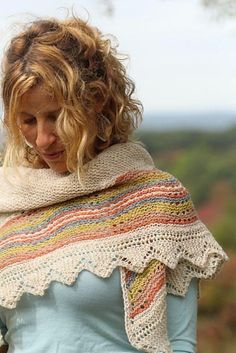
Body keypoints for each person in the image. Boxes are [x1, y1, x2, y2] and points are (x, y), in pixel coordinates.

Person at [0, 16, 228, 353]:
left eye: (56, 115)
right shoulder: (11, 205)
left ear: (95, 102)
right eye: (28, 121)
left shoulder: (155, 201)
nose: (43, 138)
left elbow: (179, 342)